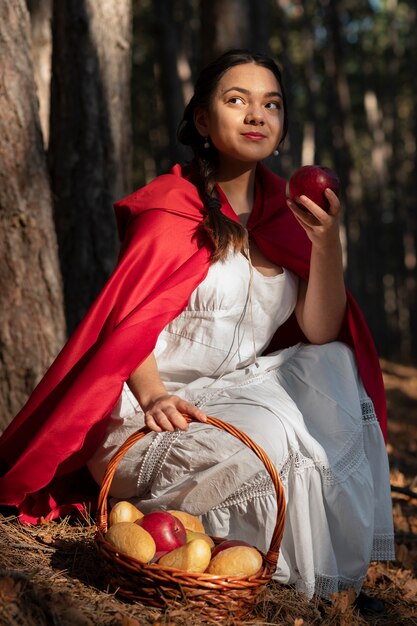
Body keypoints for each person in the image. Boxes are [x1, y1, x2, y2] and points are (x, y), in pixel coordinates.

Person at [0, 50, 393, 609]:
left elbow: (320, 328)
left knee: (333, 363)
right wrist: (152, 391)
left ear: (281, 128)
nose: (256, 114)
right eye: (237, 100)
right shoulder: (172, 208)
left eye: (271, 104)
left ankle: (304, 574)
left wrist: (326, 244)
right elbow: (127, 322)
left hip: (228, 401)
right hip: (146, 413)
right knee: (276, 433)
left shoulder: (287, 217)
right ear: (204, 121)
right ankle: (257, 563)